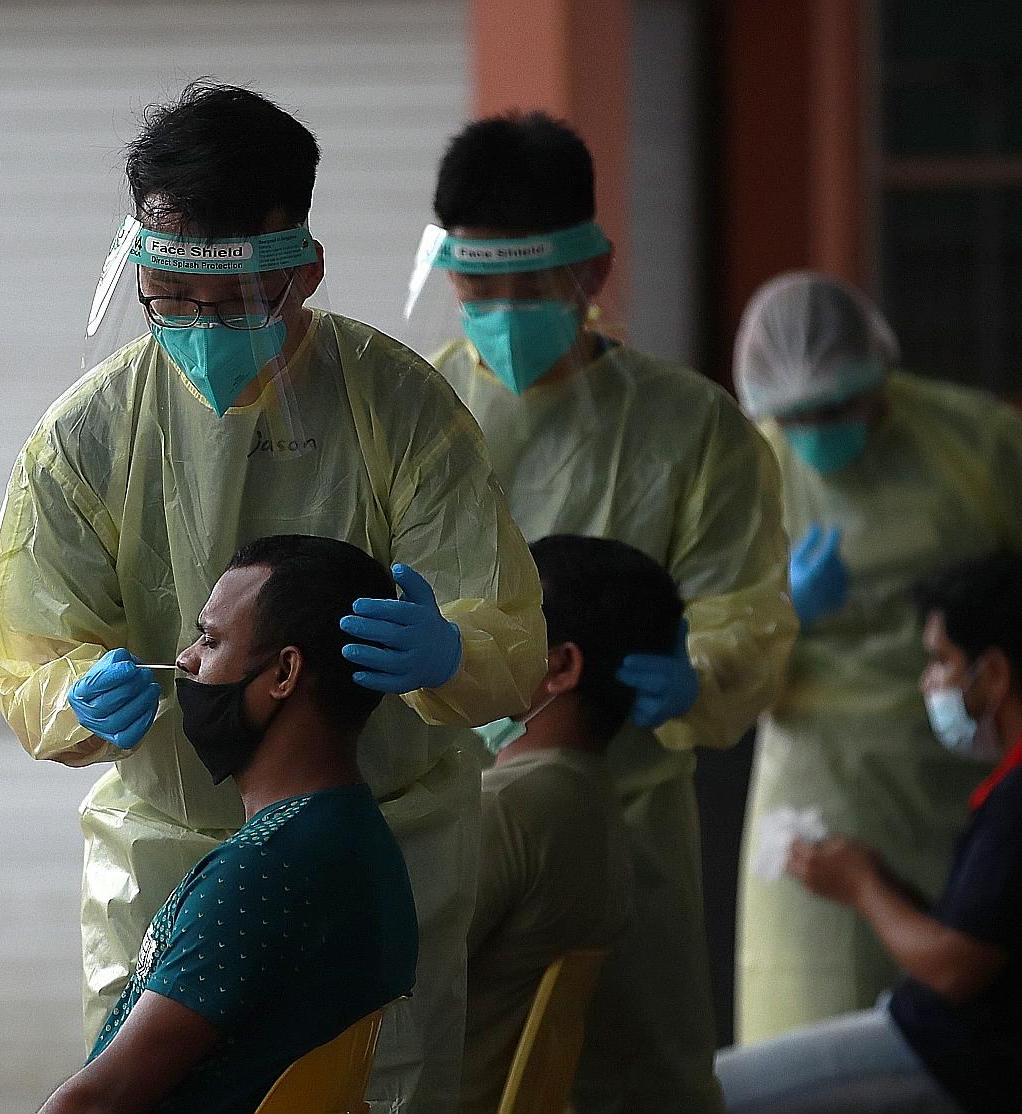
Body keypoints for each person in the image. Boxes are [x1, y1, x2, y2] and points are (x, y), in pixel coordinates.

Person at [0, 83, 546, 1114]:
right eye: (168, 302)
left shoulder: (401, 412)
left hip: (371, 839)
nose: (196, 330)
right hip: (171, 855)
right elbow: (32, 654)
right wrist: (72, 695)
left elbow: (501, 637)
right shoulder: (89, 436)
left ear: (304, 269)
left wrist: (453, 652)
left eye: (230, 304)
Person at [409, 112, 797, 1113]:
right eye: (475, 286)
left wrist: (698, 668)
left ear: (592, 272)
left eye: (527, 287)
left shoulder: (689, 427)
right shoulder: (412, 413)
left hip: (622, 814)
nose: (498, 312)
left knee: (637, 1073)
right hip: (453, 805)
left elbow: (744, 607)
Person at [732, 272, 1022, 1043]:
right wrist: (778, 614)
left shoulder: (971, 443)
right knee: (808, 1028)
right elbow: (710, 650)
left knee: (970, 1015)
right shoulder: (749, 476)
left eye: (837, 407)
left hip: (968, 766)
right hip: (818, 785)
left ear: (880, 378)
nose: (818, 433)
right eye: (796, 417)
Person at [716, 551, 1022, 1114]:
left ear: (996, 674)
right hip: (956, 1050)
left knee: (701, 1093)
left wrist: (861, 885)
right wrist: (881, 880)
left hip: (964, 1066)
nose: (928, 682)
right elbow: (984, 936)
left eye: (941, 660)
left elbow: (954, 968)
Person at [40, 535, 418, 1114]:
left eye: (210, 640)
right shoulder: (349, 834)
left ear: (285, 673)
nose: (186, 660)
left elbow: (95, 1104)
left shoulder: (269, 869)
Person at [464, 535, 685, 1113]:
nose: (472, 652)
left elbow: (376, 982)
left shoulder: (512, 806)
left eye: (501, 635)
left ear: (560, 665)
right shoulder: (586, 797)